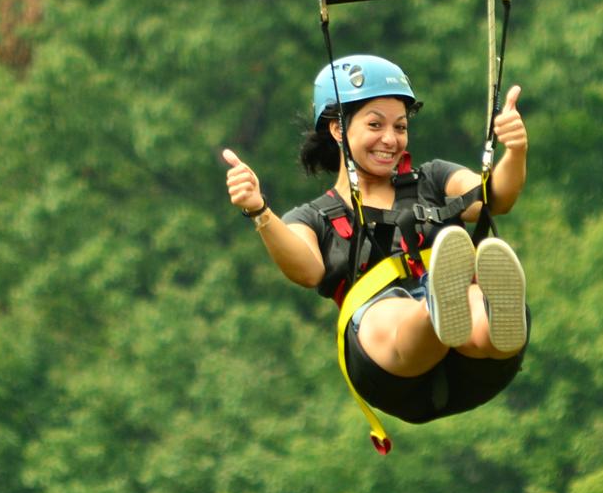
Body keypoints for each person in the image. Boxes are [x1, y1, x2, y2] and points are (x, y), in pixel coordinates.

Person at [223, 55, 529, 426]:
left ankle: (493, 325)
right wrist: (260, 212)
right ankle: (437, 310)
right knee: (387, 312)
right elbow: (306, 269)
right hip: (390, 372)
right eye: (375, 125)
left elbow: (494, 197)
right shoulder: (315, 218)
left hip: (479, 367)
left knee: (473, 296)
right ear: (338, 129)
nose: (390, 138)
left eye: (400, 127)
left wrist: (515, 151)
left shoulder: (432, 179)